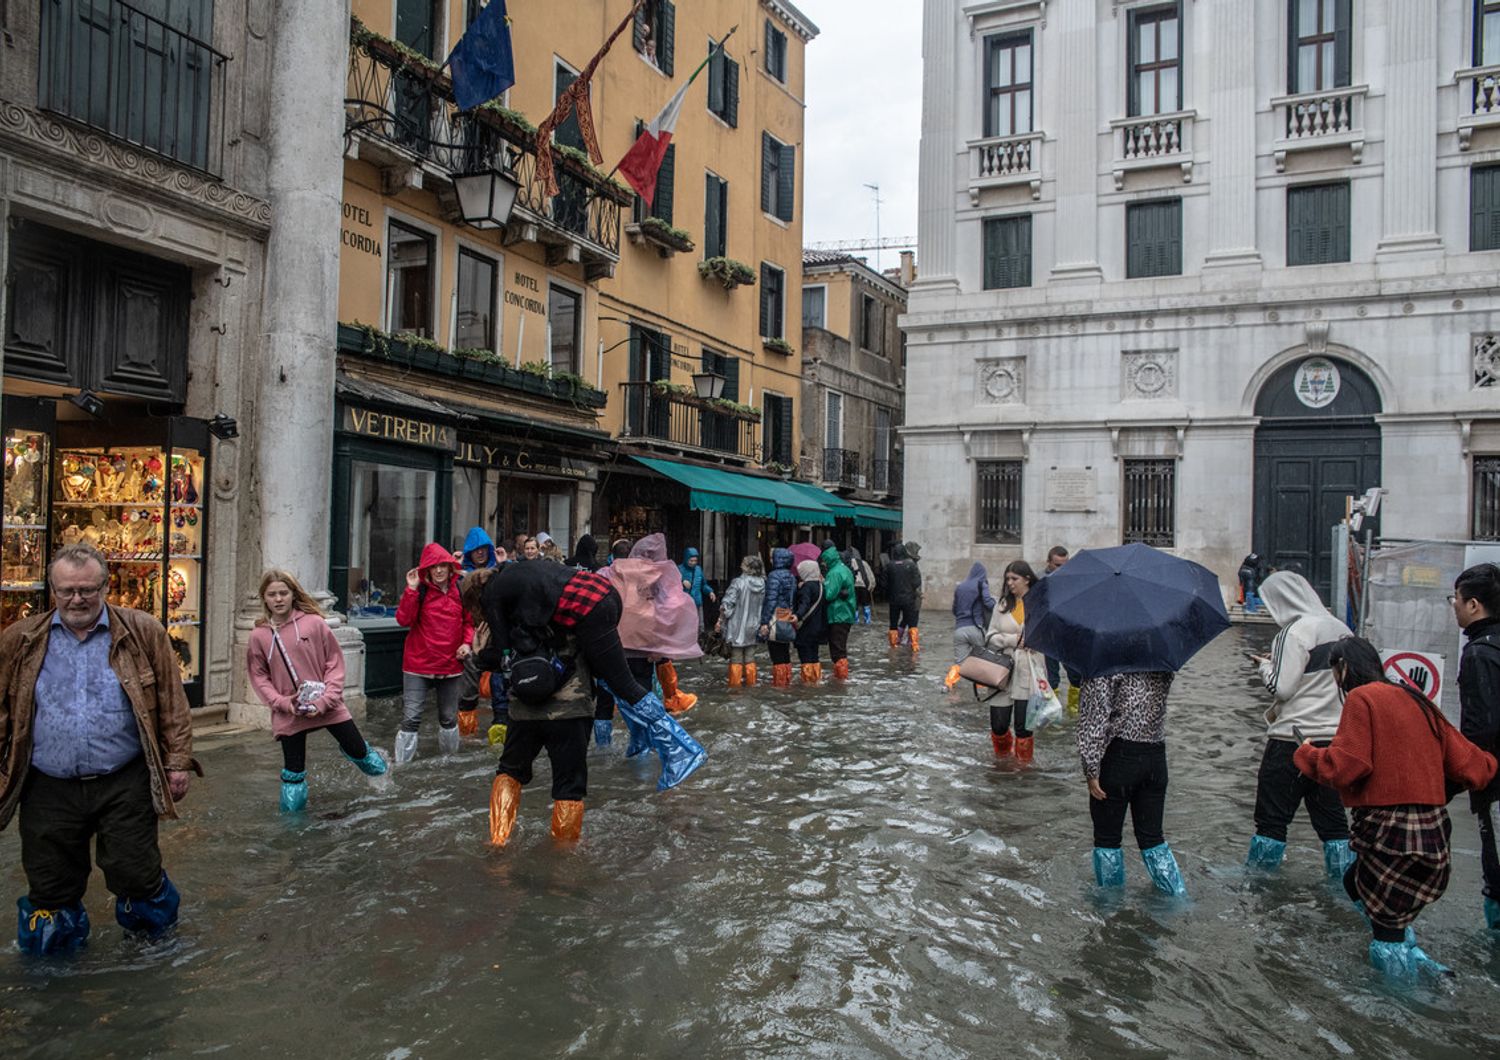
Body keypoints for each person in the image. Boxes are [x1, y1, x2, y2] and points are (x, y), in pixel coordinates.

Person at [0, 542, 198, 954]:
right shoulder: (20, 639)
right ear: (51, 590)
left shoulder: (142, 631)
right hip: (47, 784)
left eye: (88, 590)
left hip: (123, 780)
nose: (77, 599)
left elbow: (172, 702)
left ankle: (154, 952)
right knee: (49, 882)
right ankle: (55, 969)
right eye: (67, 591)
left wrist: (177, 763)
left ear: (106, 586)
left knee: (137, 872)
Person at [1295, 637, 1497, 979]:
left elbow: (1346, 767)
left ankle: (1397, 1008)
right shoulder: (1417, 699)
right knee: (1352, 882)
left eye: (1333, 671)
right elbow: (1474, 766)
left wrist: (1307, 753)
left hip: (1390, 833)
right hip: (1433, 834)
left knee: (1384, 930)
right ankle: (1415, 956)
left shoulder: (1361, 697)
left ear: (1342, 667)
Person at [474, 558, 706, 843]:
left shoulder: (506, 605)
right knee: (618, 686)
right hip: (574, 705)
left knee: (511, 771)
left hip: (528, 713)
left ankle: (498, 842)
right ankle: (564, 857)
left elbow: (502, 656)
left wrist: (479, 653)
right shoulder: (549, 589)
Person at [1241, 570, 1354, 875]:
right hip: (1334, 743)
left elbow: (1283, 689)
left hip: (1290, 741)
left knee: (1271, 821)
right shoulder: (1341, 629)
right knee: (1333, 824)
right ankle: (1345, 886)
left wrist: (1266, 667)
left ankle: (1260, 886)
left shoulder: (1294, 631)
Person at [247, 569, 386, 813]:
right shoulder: (259, 635)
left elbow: (334, 663)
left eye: (283, 593)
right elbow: (259, 676)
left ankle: (386, 785)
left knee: (358, 751)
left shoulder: (314, 624)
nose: (278, 599)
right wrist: (282, 702)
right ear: (264, 598)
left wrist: (327, 699)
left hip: (328, 704)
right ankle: (292, 823)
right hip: (289, 710)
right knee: (293, 771)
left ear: (293, 594)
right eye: (272, 594)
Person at [1078, 670, 1186, 896]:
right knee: (1153, 838)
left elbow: (1094, 721)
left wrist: (1091, 769)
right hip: (1156, 756)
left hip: (1119, 758)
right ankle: (1177, 897)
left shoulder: (1103, 663)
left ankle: (1111, 912)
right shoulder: (1160, 658)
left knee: (1107, 841)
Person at [1451, 562, 1500, 935]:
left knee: (1495, 874)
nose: (1453, 605)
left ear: (1473, 605)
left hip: (1495, 784)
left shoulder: (1480, 654)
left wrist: (1455, 779)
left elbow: (1482, 728)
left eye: (1454, 598)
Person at [393, 542, 474, 763]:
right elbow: (403, 620)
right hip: (418, 665)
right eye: (433, 567)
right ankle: (402, 766)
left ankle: (449, 762)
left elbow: (469, 622)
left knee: (449, 718)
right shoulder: (419, 591)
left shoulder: (460, 590)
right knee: (411, 719)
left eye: (442, 566)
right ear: (426, 570)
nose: (438, 570)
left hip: (451, 665)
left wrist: (467, 644)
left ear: (450, 568)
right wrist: (410, 590)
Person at [604, 534, 700, 714]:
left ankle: (618, 714)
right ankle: (650, 720)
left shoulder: (607, 574)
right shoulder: (650, 576)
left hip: (617, 641)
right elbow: (667, 604)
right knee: (642, 686)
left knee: (618, 682)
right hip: (644, 639)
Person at [984, 561, 1044, 762]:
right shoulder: (1001, 606)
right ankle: (1002, 762)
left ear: (1027, 579)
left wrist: (1037, 641)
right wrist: (1013, 640)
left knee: (1023, 727)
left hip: (1029, 671)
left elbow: (1050, 635)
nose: (1010, 583)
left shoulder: (1039, 604)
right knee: (999, 725)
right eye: (1007, 579)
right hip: (1002, 670)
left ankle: (1023, 767)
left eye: (1014, 579)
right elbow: (990, 636)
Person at [457, 527, 506, 741]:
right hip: (472, 635)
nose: (480, 553)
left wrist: (504, 564)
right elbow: (462, 614)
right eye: (475, 550)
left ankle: (500, 728)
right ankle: (467, 730)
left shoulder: (499, 572)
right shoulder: (459, 577)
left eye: (483, 549)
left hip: (497, 635)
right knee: (469, 681)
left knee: (500, 680)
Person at [1040, 546, 1081, 714]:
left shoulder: (1073, 581)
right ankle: (1052, 710)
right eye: (1057, 565)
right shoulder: (1040, 581)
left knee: (1076, 674)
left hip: (1068, 634)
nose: (1062, 569)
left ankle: (1075, 709)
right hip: (1048, 634)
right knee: (1052, 676)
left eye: (1065, 564)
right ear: (1049, 563)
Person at [717, 556, 767, 687]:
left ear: (747, 567)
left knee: (736, 658)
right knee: (750, 657)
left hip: (737, 626)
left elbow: (727, 604)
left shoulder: (738, 582)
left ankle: (735, 686)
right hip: (754, 625)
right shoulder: (762, 583)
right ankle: (751, 684)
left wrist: (720, 620)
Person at [946, 562, 996, 690]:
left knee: (959, 664)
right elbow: (988, 603)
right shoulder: (981, 584)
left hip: (959, 630)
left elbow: (954, 610)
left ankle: (949, 685)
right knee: (981, 660)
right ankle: (980, 689)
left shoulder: (960, 587)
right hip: (976, 628)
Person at [760, 548, 798, 687]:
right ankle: (787, 680)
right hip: (786, 614)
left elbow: (770, 600)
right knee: (784, 648)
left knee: (776, 651)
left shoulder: (774, 576)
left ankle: (779, 684)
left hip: (775, 615)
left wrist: (764, 622)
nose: (770, 560)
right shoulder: (792, 576)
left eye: (772, 557)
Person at [821, 542, 857, 680]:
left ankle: (841, 680)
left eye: (823, 560)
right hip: (846, 614)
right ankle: (840, 678)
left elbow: (829, 595)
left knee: (837, 651)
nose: (823, 563)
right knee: (840, 648)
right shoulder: (844, 569)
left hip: (838, 615)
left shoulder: (834, 572)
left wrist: (822, 585)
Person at [793, 559, 828, 684]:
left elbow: (804, 604)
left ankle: (807, 684)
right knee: (814, 656)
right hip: (819, 628)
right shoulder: (821, 586)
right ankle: (816, 681)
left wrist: (797, 615)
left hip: (807, 628)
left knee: (806, 657)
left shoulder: (807, 587)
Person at [886, 543, 923, 652]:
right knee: (912, 622)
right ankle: (914, 645)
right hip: (909, 599)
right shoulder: (911, 565)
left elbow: (884, 582)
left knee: (893, 623)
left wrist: (891, 591)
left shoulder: (889, 565)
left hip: (894, 600)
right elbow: (917, 582)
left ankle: (893, 646)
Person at [678, 547, 718, 630]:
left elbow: (703, 584)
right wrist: (681, 581)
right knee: (685, 625)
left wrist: (710, 592)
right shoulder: (679, 569)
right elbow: (670, 584)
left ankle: (700, 640)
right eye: (691, 561)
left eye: (695, 561)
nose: (693, 563)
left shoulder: (698, 569)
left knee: (699, 624)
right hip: (684, 603)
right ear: (686, 559)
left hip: (697, 601)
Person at [848, 547, 875, 624]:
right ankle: (867, 621)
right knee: (866, 604)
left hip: (853, 586)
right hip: (864, 585)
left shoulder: (848, 562)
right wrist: (872, 586)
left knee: (854, 604)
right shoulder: (864, 563)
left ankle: (855, 621)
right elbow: (870, 575)